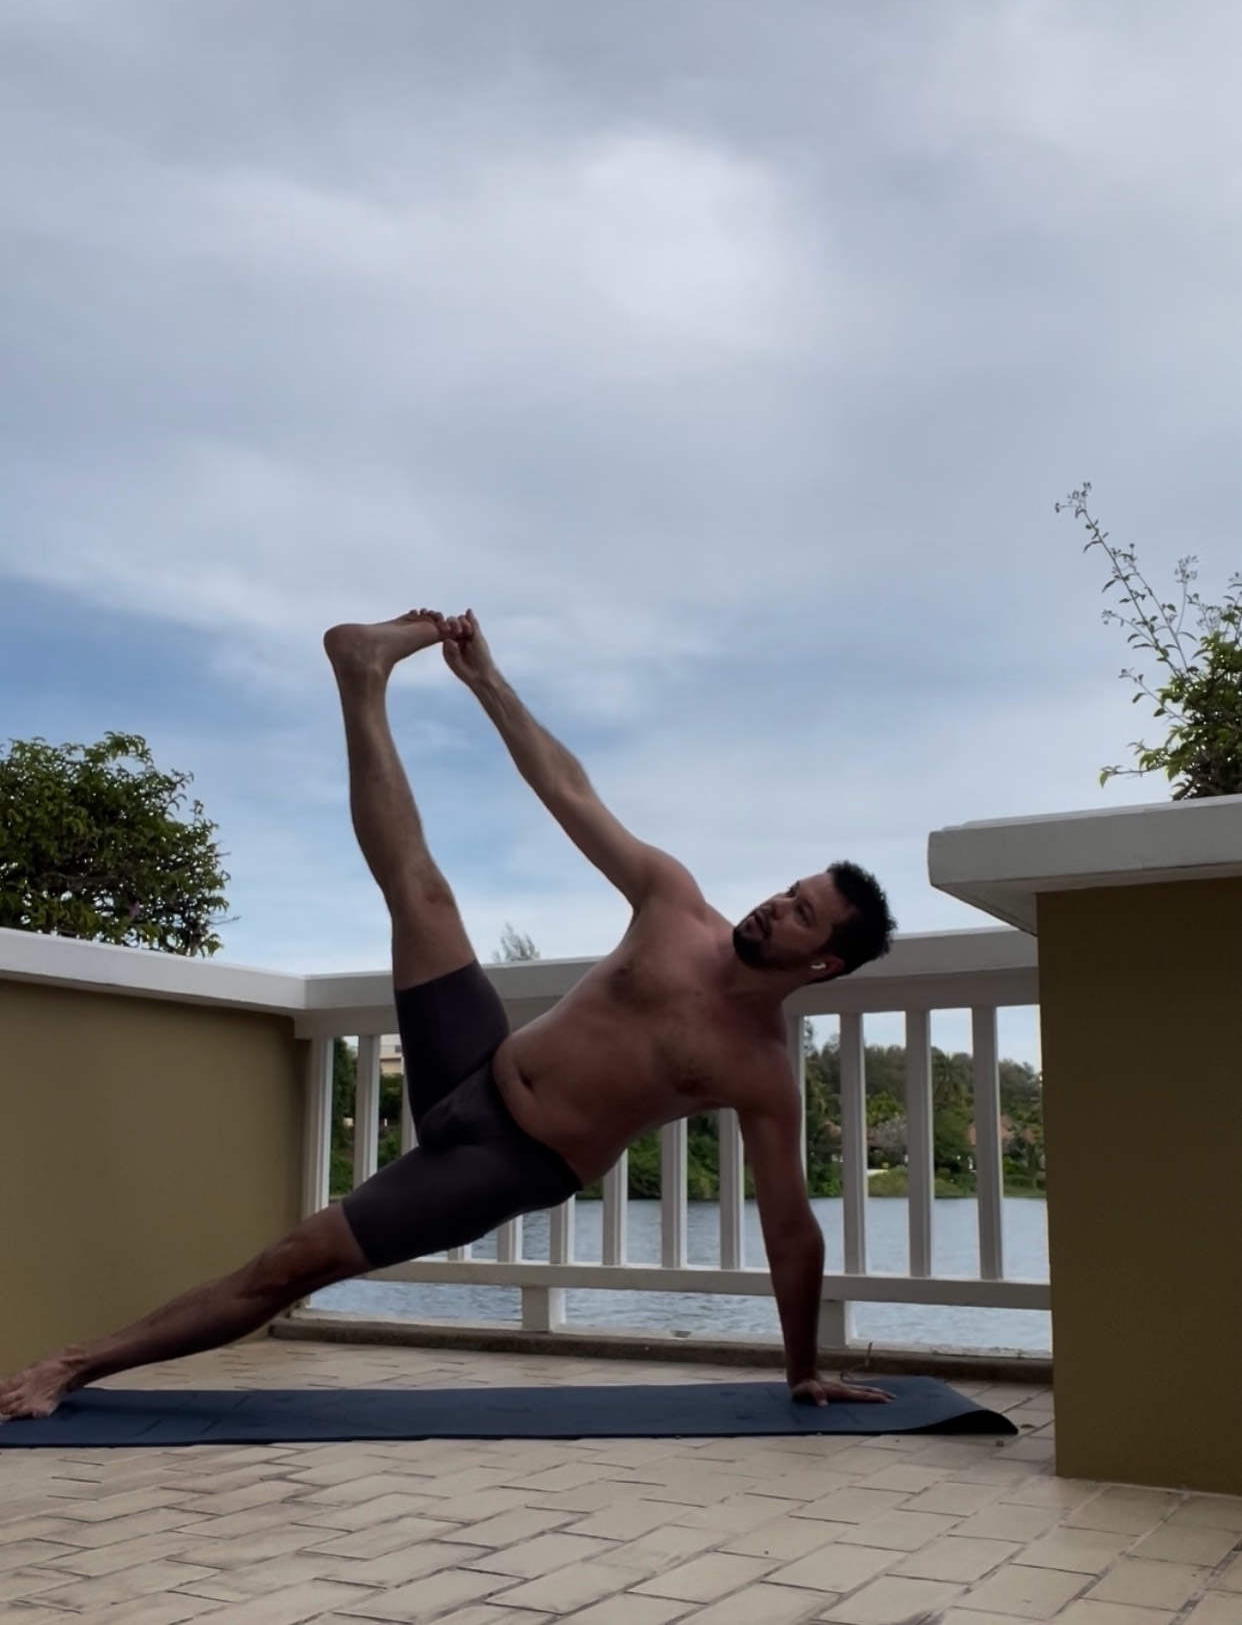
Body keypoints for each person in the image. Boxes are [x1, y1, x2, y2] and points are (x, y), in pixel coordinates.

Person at [0, 609, 897, 1421]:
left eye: (802, 913)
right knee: (421, 891)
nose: (777, 905)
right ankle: (363, 673)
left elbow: (789, 1225)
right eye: (789, 889)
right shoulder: (674, 903)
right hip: (475, 1061)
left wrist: (801, 1366)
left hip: (506, 1159)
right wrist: (487, 682)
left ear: (821, 962)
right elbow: (570, 793)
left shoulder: (761, 1070)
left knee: (293, 1264)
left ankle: (73, 1365)